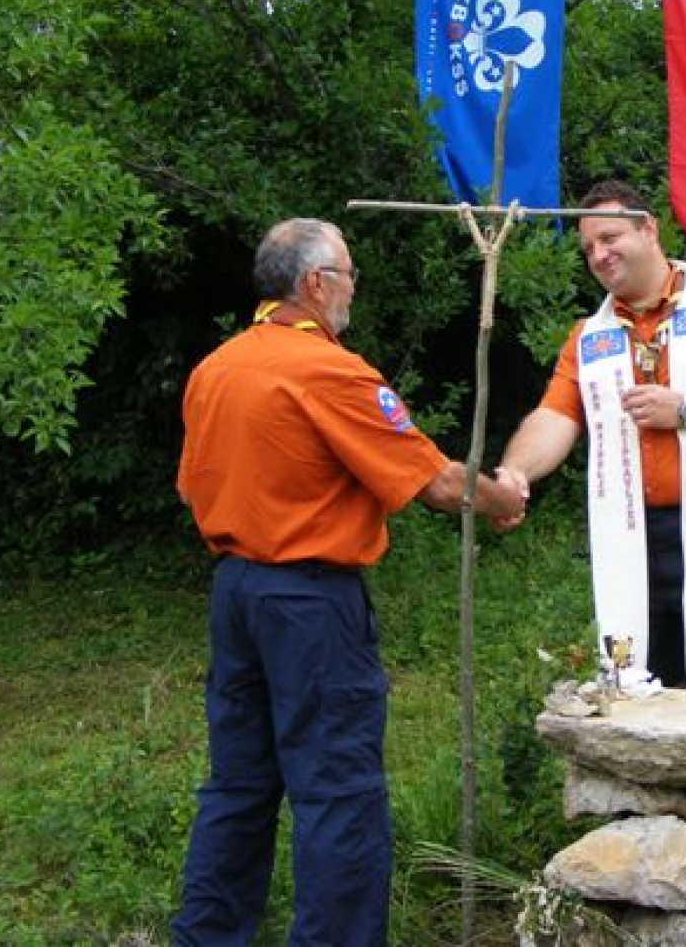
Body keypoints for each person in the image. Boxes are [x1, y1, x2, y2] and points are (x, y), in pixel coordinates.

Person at [171, 217, 525, 947]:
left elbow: (192, 485)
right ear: (315, 284)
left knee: (237, 786)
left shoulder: (217, 367)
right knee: (337, 791)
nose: (352, 291)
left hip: (235, 594)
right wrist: (500, 499)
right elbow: (431, 480)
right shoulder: (327, 369)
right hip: (310, 603)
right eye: (350, 275)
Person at [496, 181, 686, 697]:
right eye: (589, 248)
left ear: (649, 228)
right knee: (638, 689)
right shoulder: (589, 335)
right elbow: (555, 416)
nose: (599, 254)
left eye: (610, 237)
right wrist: (515, 473)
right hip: (635, 532)